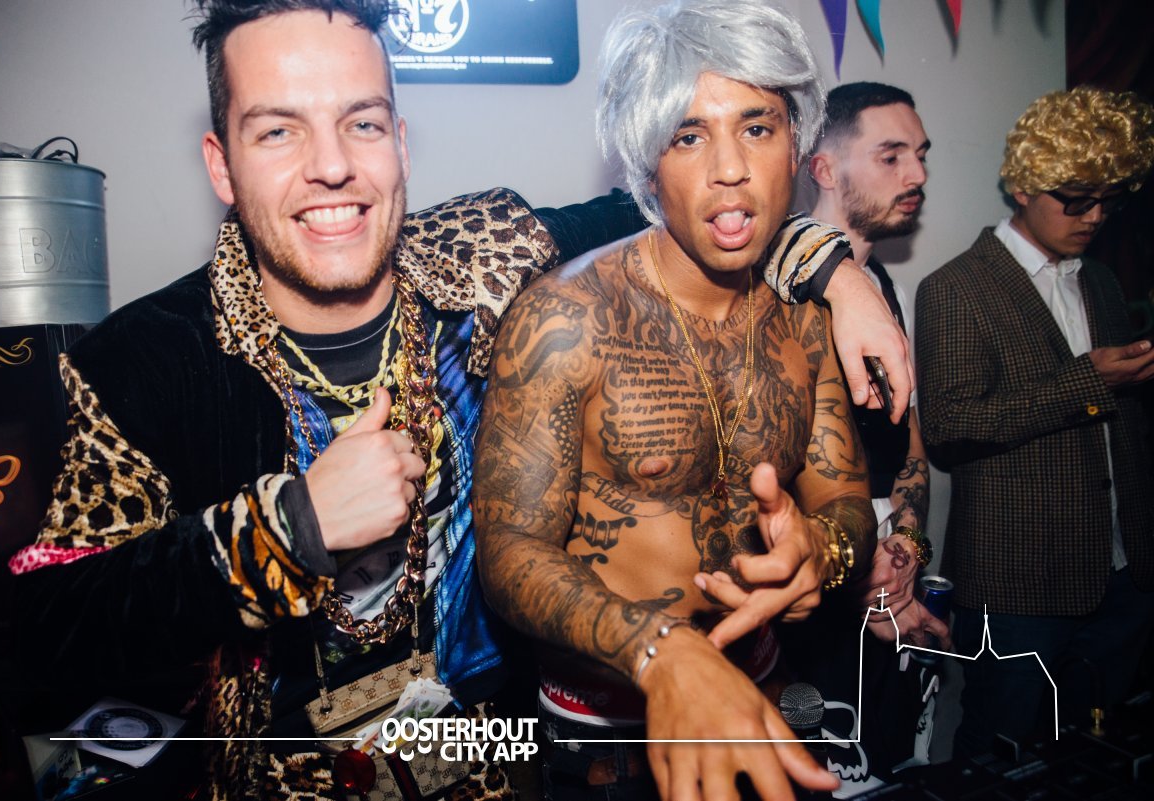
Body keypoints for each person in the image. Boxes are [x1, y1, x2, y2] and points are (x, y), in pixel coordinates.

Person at [5, 1, 909, 799]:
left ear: (400, 142)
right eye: (278, 131)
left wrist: (836, 272)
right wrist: (288, 528)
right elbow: (41, 629)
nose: (331, 167)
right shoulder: (142, 363)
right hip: (284, 771)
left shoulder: (482, 254)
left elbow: (682, 207)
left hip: (490, 754)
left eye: (361, 123)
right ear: (222, 163)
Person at [473, 2, 877, 799]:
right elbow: (509, 552)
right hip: (604, 740)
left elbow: (846, 499)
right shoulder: (567, 319)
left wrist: (820, 552)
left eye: (756, 127)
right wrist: (659, 649)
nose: (730, 168)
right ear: (646, 163)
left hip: (763, 694)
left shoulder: (805, 319)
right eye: (688, 136)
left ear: (797, 144)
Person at [916, 86, 1154, 758]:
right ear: (1023, 185)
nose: (1094, 215)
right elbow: (950, 428)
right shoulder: (956, 287)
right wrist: (1090, 382)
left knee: (1096, 755)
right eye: (1075, 199)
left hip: (1123, 574)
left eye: (1109, 199)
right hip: (1019, 584)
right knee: (1003, 757)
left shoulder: (1100, 281)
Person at [785, 81, 950, 789]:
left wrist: (908, 546)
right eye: (891, 156)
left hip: (885, 584)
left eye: (920, 154)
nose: (917, 174)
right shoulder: (775, 294)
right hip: (810, 598)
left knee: (891, 767)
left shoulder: (884, 285)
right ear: (824, 169)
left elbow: (909, 441)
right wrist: (853, 572)